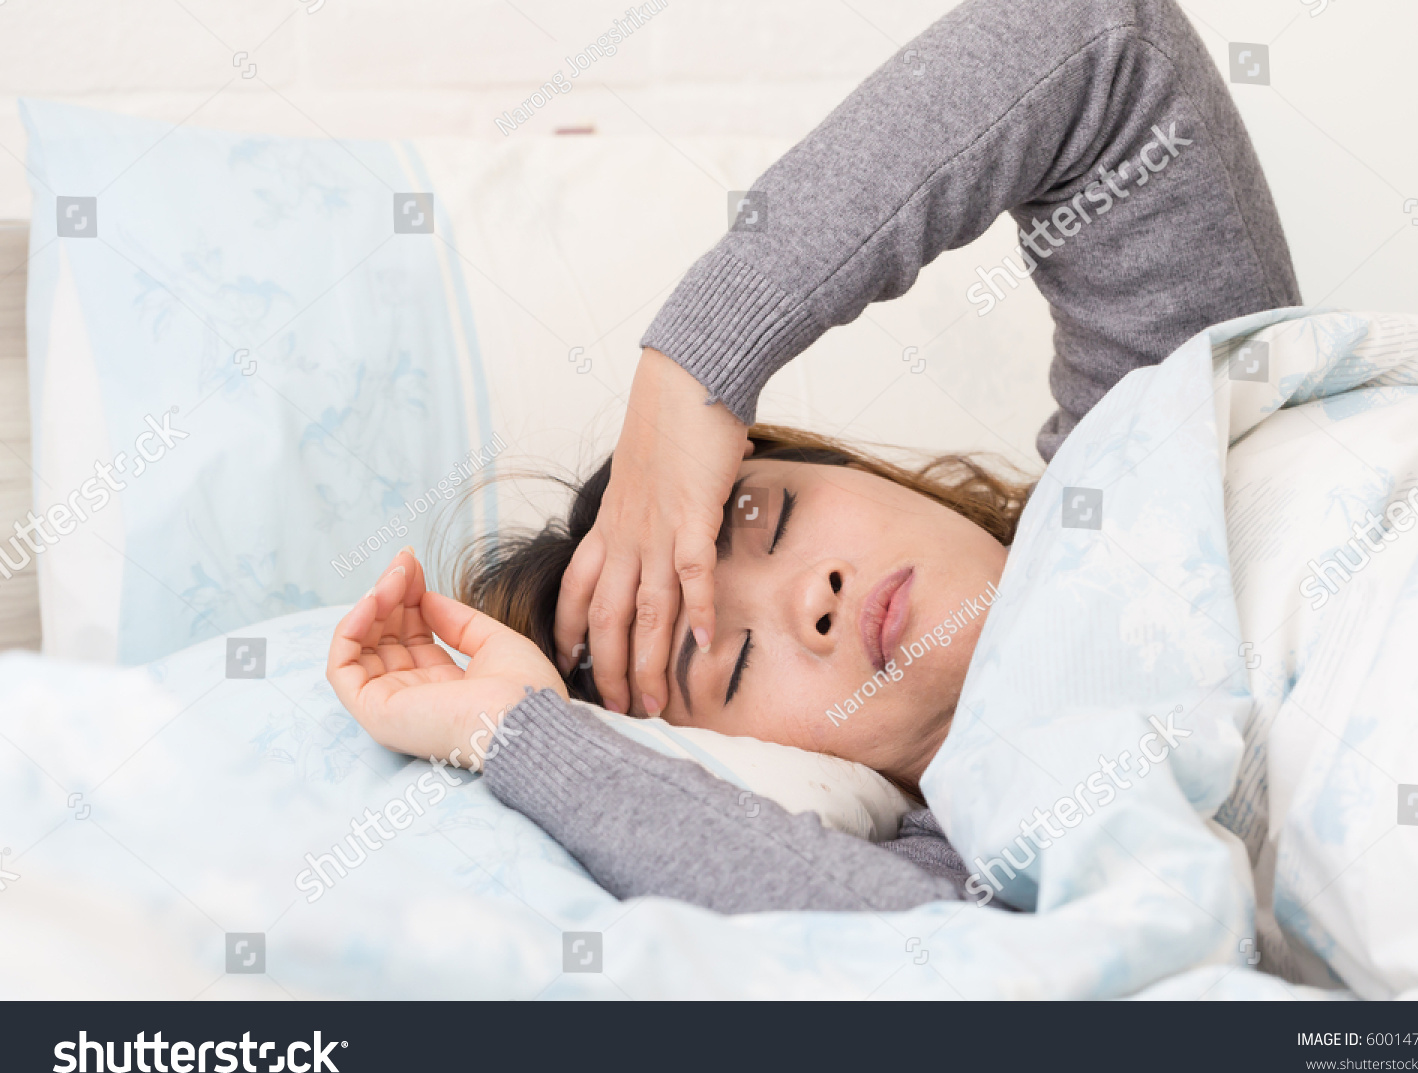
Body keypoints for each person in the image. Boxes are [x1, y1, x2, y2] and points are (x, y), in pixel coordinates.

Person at [326, 0, 1299, 914]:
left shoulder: (1150, 456)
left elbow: (1100, 39)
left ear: (849, 469)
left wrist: (695, 368)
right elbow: (943, 969)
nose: (816, 598)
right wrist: (523, 732)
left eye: (774, 516)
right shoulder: (984, 889)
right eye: (732, 661)